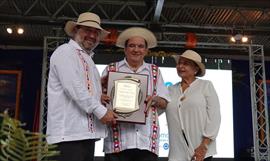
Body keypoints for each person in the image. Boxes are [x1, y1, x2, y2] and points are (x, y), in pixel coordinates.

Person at [46, 12, 117, 161]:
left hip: (85, 137)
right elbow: (74, 88)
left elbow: (82, 90)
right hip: (68, 137)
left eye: (96, 32)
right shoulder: (65, 52)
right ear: (75, 31)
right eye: (87, 30)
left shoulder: (88, 60)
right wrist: (101, 111)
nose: (92, 35)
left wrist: (100, 96)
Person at [101, 27, 171, 161]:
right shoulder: (111, 69)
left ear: (146, 50)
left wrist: (155, 99)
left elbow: (164, 102)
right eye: (132, 46)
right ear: (125, 49)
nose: (136, 50)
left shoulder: (155, 71)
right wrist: (102, 98)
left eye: (140, 46)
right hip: (117, 143)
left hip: (146, 142)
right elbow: (99, 100)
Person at [166, 50, 221, 161]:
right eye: (179, 63)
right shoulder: (170, 90)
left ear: (196, 69)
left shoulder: (205, 86)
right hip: (176, 154)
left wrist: (204, 146)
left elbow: (214, 117)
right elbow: (155, 111)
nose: (180, 66)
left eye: (185, 63)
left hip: (200, 152)